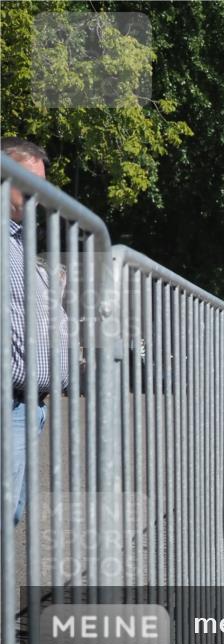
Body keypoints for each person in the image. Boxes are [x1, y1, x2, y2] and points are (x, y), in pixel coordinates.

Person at [3, 137, 69, 525]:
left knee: (11, 515)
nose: (38, 194)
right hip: (9, 403)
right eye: (28, 182)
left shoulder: (19, 242)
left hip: (30, 405)